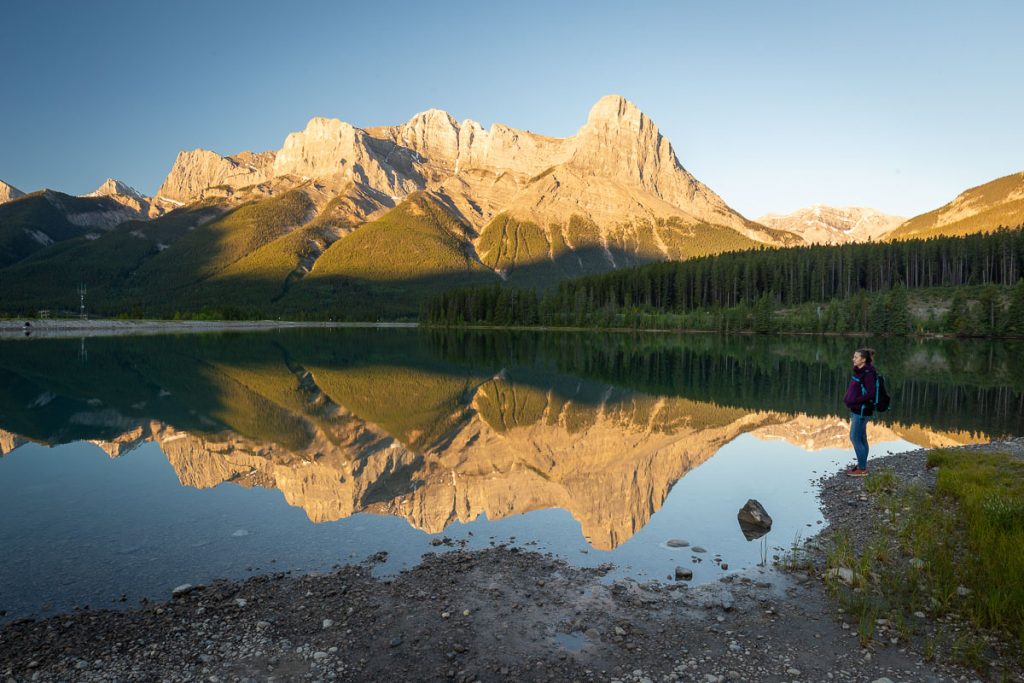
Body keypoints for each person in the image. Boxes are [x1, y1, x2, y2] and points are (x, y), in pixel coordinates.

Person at [843, 347, 877, 477]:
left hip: (861, 411)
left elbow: (871, 393)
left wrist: (856, 400)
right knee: (861, 438)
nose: (853, 359)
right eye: (854, 357)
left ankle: (862, 469)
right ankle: (862, 465)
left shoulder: (867, 373)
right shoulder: (861, 371)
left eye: (856, 357)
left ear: (863, 359)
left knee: (854, 437)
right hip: (858, 410)